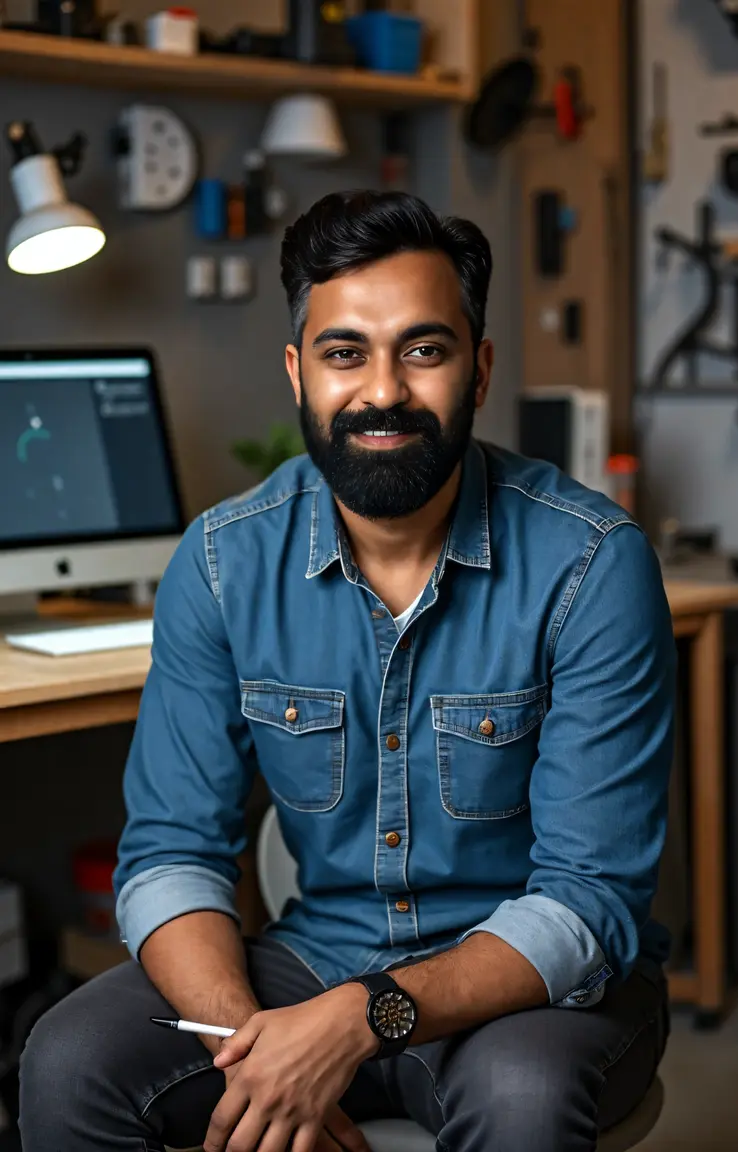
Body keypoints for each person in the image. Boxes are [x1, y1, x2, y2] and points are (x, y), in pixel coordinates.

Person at [19, 190, 675, 1152]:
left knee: (525, 1097)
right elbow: (171, 854)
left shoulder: (591, 564)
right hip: (311, 960)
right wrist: (260, 1056)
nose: (382, 391)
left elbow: (589, 903)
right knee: (68, 1062)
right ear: (297, 373)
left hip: (528, 991)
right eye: (344, 353)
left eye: (424, 349)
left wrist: (361, 1020)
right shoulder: (221, 562)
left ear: (479, 369)